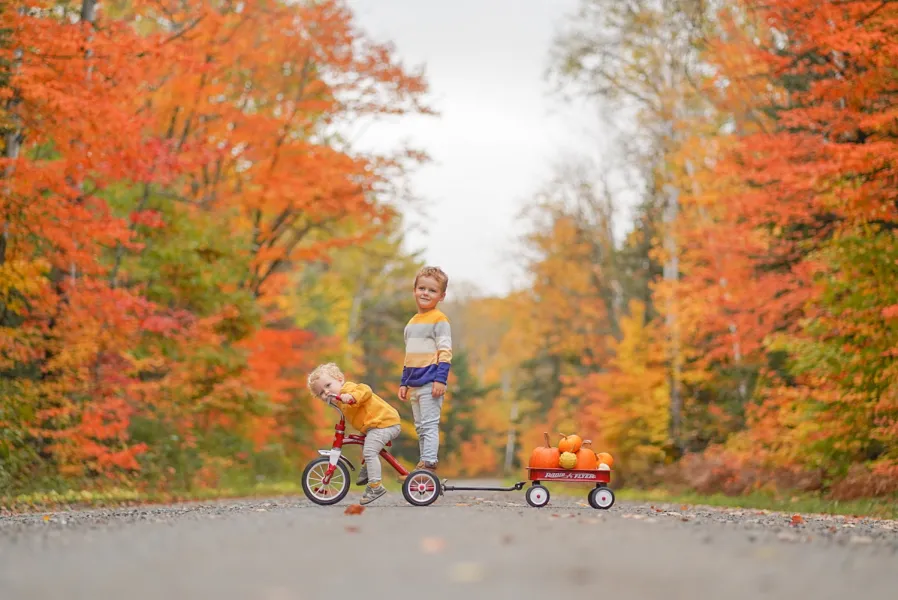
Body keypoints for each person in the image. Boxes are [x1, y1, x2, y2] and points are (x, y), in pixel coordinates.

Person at [307, 363, 401, 505]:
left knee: (369, 451)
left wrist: (351, 396)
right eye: (321, 393)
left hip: (385, 422)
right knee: (364, 443)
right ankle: (368, 468)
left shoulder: (349, 389)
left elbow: (365, 390)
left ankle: (375, 486)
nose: (326, 392)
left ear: (340, 379)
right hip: (373, 426)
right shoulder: (340, 403)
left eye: (328, 385)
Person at [399, 266, 452, 474]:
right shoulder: (411, 323)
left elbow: (445, 352)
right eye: (422, 288)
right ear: (414, 290)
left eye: (432, 290)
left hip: (431, 382)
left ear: (441, 296)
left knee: (429, 425)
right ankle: (423, 464)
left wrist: (441, 380)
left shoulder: (439, 320)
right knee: (420, 427)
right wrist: (404, 382)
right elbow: (409, 355)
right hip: (414, 384)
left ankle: (428, 463)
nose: (425, 293)